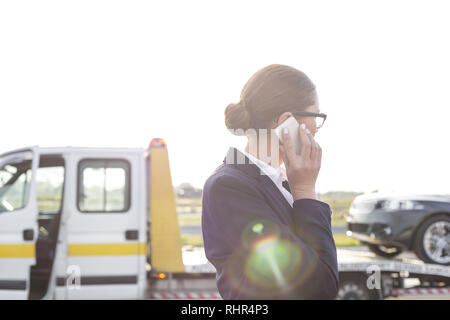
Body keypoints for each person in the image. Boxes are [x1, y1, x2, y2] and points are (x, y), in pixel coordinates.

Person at [201, 64, 338, 299]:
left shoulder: (278, 183)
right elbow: (319, 287)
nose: (317, 126)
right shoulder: (229, 187)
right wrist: (305, 190)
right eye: (316, 115)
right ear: (287, 122)